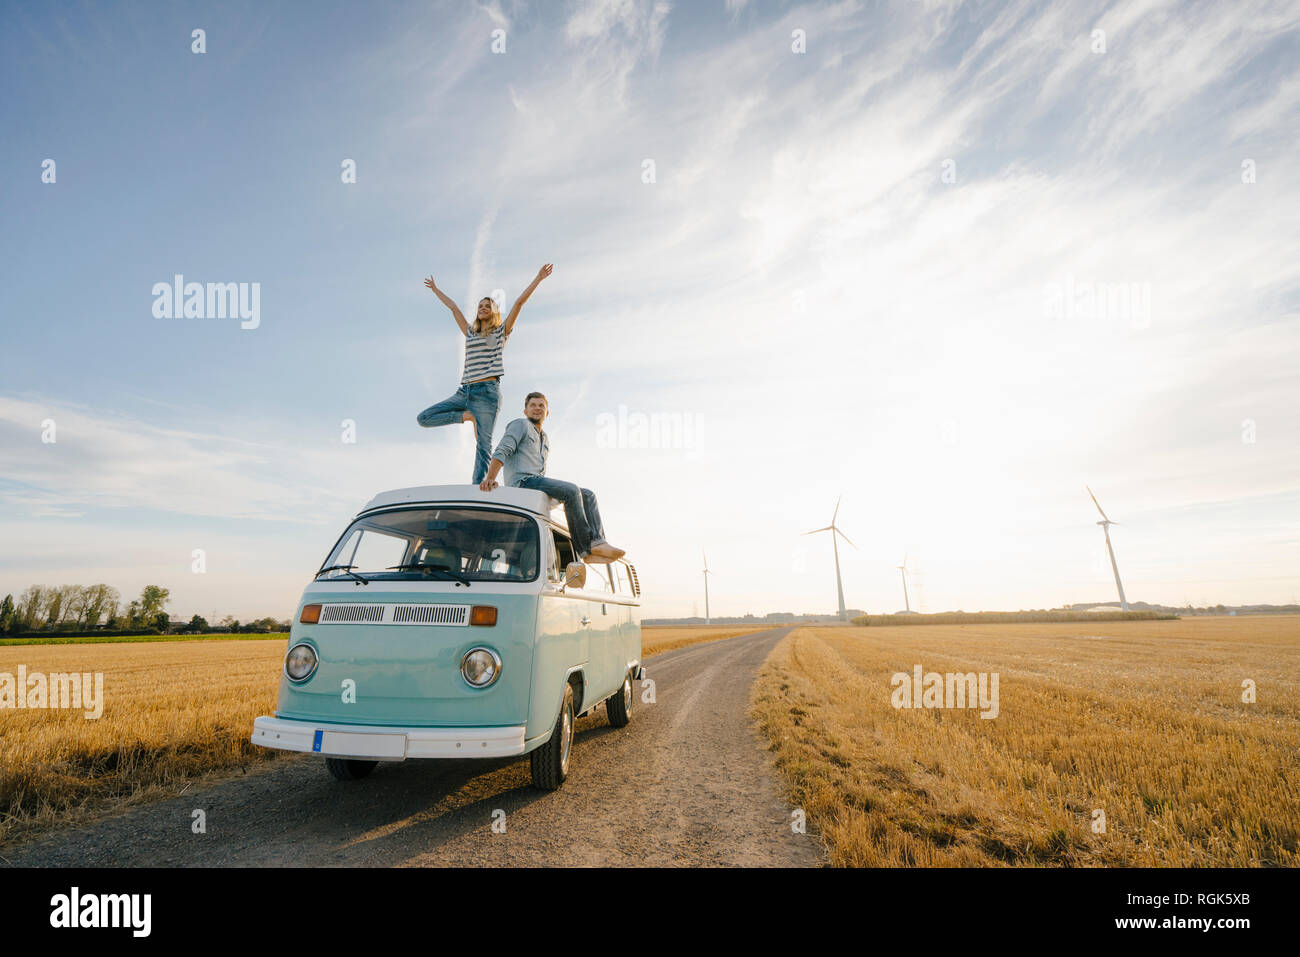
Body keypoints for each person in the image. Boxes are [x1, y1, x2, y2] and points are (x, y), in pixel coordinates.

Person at [416, 264, 553, 483]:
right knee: (423, 418)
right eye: (480, 305)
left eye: (487, 305)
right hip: (464, 392)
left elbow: (519, 303)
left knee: (483, 446)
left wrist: (538, 278)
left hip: (487, 393)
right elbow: (453, 309)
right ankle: (466, 417)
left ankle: (477, 486)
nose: (483, 308)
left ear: (494, 311)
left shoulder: (501, 333)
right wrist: (435, 290)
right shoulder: (470, 332)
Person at [480, 392, 626, 562]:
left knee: (587, 495)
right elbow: (503, 449)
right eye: (532, 405)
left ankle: (597, 542)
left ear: (547, 412)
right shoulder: (521, 425)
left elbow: (541, 473)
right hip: (523, 482)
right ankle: (585, 550)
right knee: (571, 491)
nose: (537, 408)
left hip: (536, 483)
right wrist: (490, 477)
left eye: (541, 405)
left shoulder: (545, 438)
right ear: (525, 411)